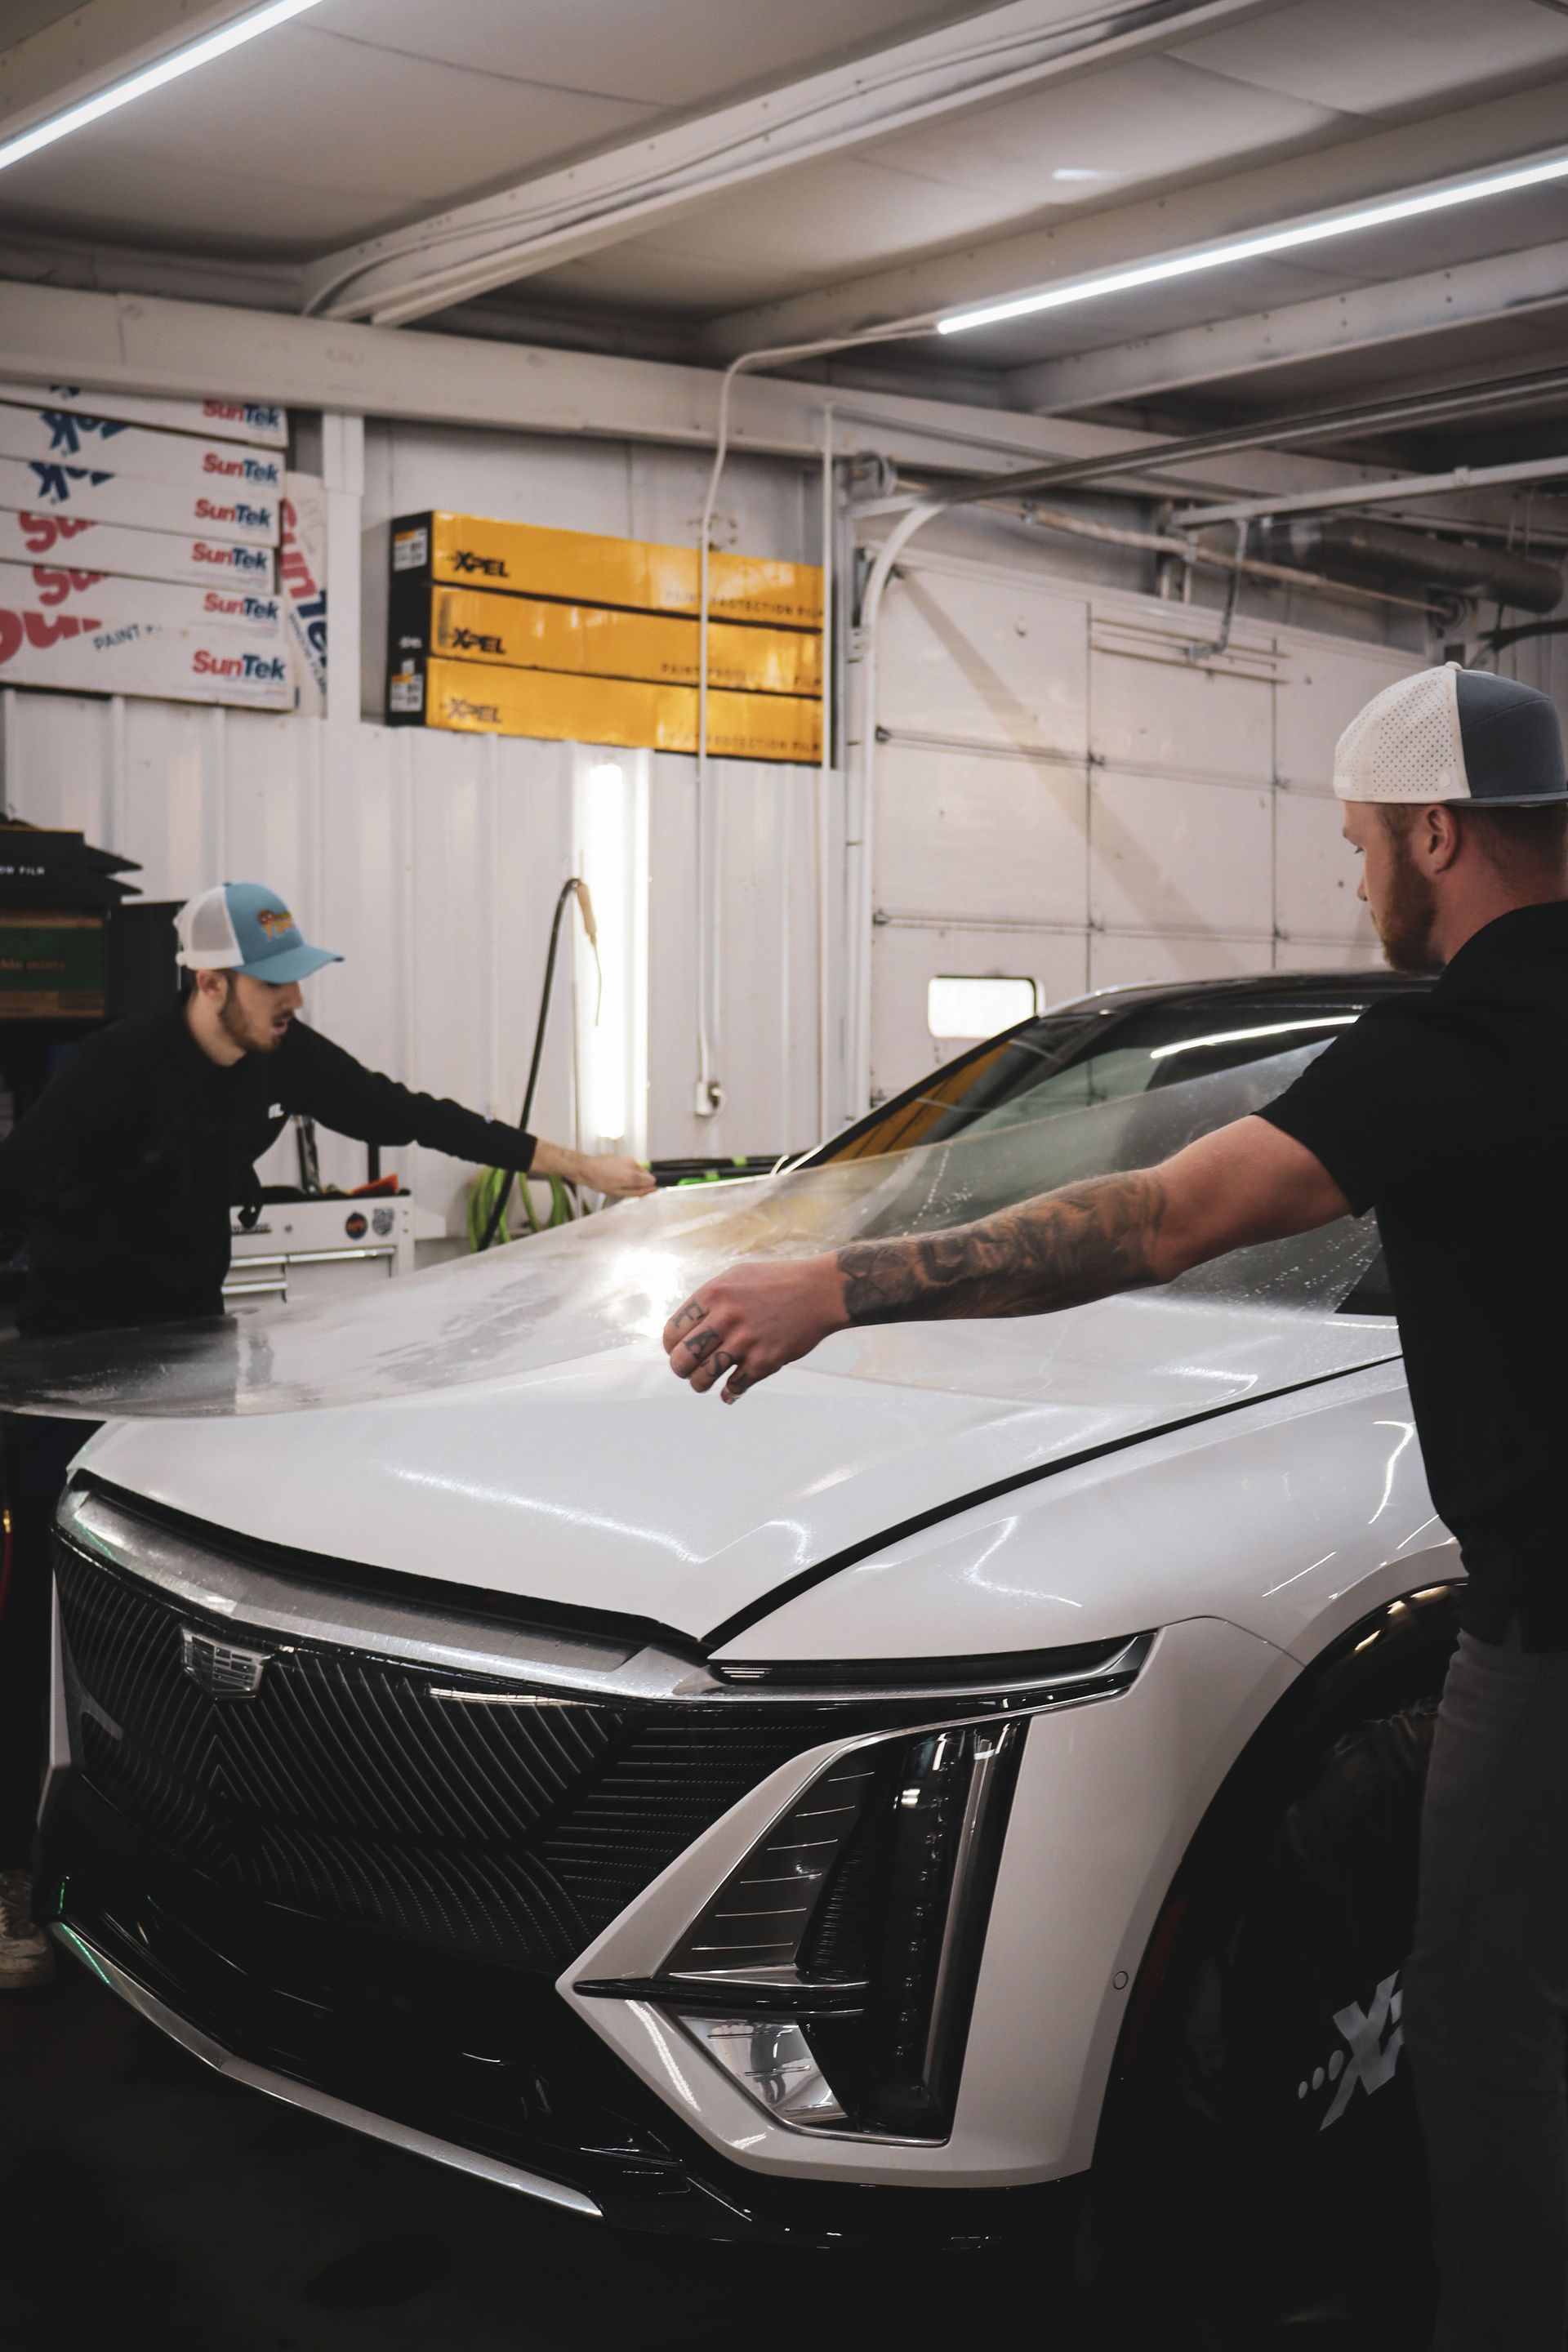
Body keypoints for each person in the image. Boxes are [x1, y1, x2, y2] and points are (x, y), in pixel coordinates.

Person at [662, 663, 1568, 2352]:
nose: (1356, 878)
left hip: (1551, 1630)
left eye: (1362, 842)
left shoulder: (1451, 1049)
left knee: (1483, 2014)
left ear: (1438, 835)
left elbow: (1158, 1220)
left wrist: (835, 1285)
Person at [0, 878, 654, 1987]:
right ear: (212, 982)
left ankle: (173, 1833)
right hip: (72, 1374)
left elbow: (411, 1114)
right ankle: (15, 1879)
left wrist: (584, 1168)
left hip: (188, 1366)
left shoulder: (281, 1059)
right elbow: (13, 1188)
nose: (293, 1000)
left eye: (298, 980)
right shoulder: (112, 1072)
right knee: (40, 1621)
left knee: (181, 1609)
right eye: (274, 984)